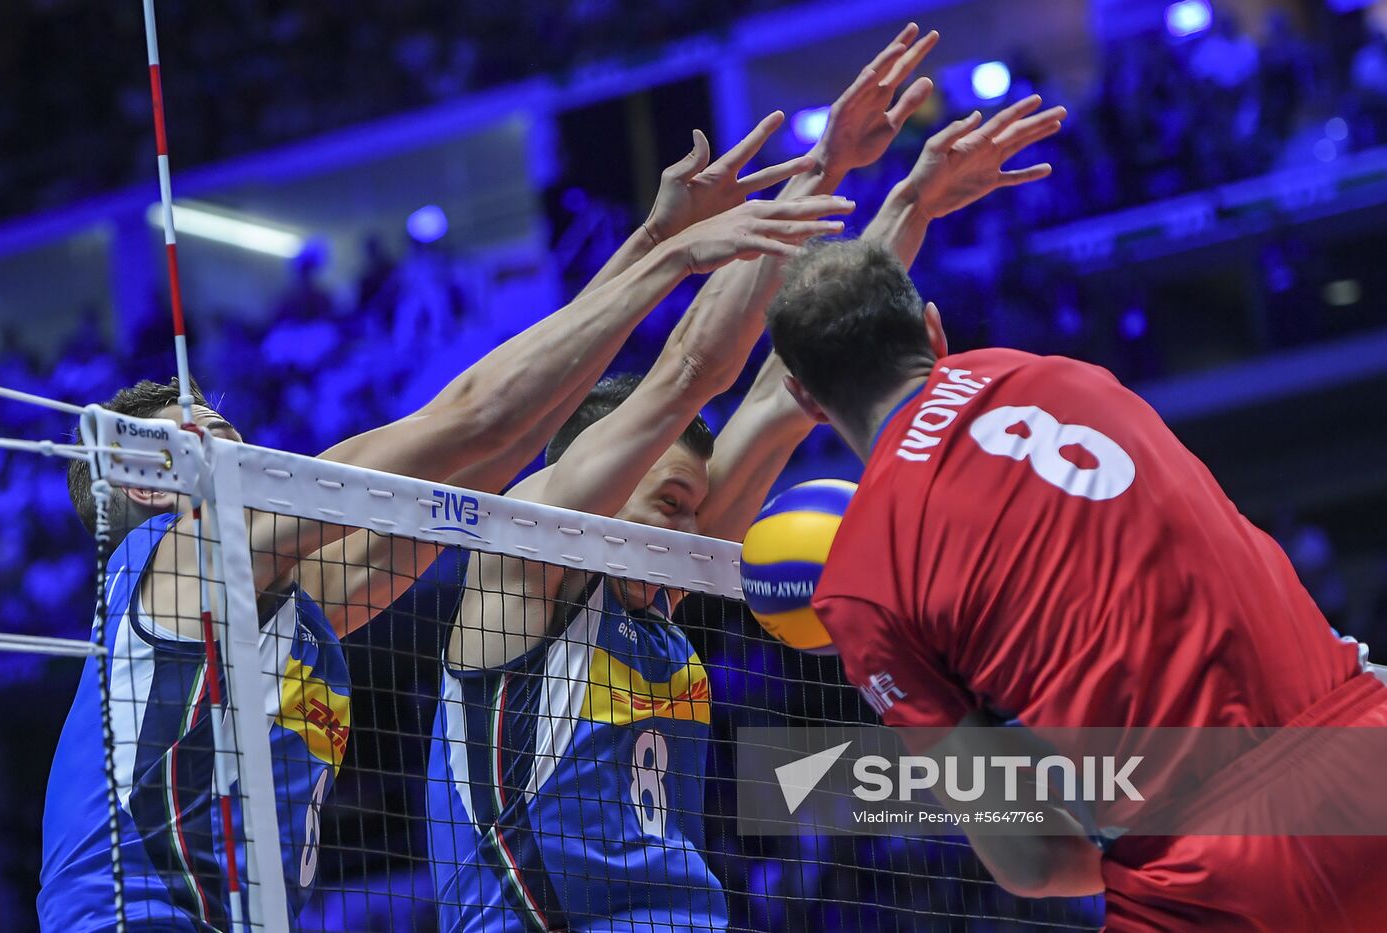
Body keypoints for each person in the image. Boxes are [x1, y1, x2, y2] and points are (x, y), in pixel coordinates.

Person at [36, 120, 843, 930]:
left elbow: (507, 445)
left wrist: (654, 236)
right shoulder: (182, 551)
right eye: (206, 439)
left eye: (235, 434)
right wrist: (673, 257)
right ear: (143, 487)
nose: (241, 450)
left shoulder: (303, 609)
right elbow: (477, 417)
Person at [426, 28, 1065, 931]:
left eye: (693, 503)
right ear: (591, 464)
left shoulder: (658, 590)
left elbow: (792, 386)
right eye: (669, 498)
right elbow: (693, 366)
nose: (691, 528)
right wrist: (819, 172)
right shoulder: (524, 553)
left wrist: (911, 202)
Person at [764, 107, 1387, 929]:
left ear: (805, 399)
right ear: (933, 327)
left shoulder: (859, 587)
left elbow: (1033, 860)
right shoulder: (1076, 378)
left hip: (1204, 872)